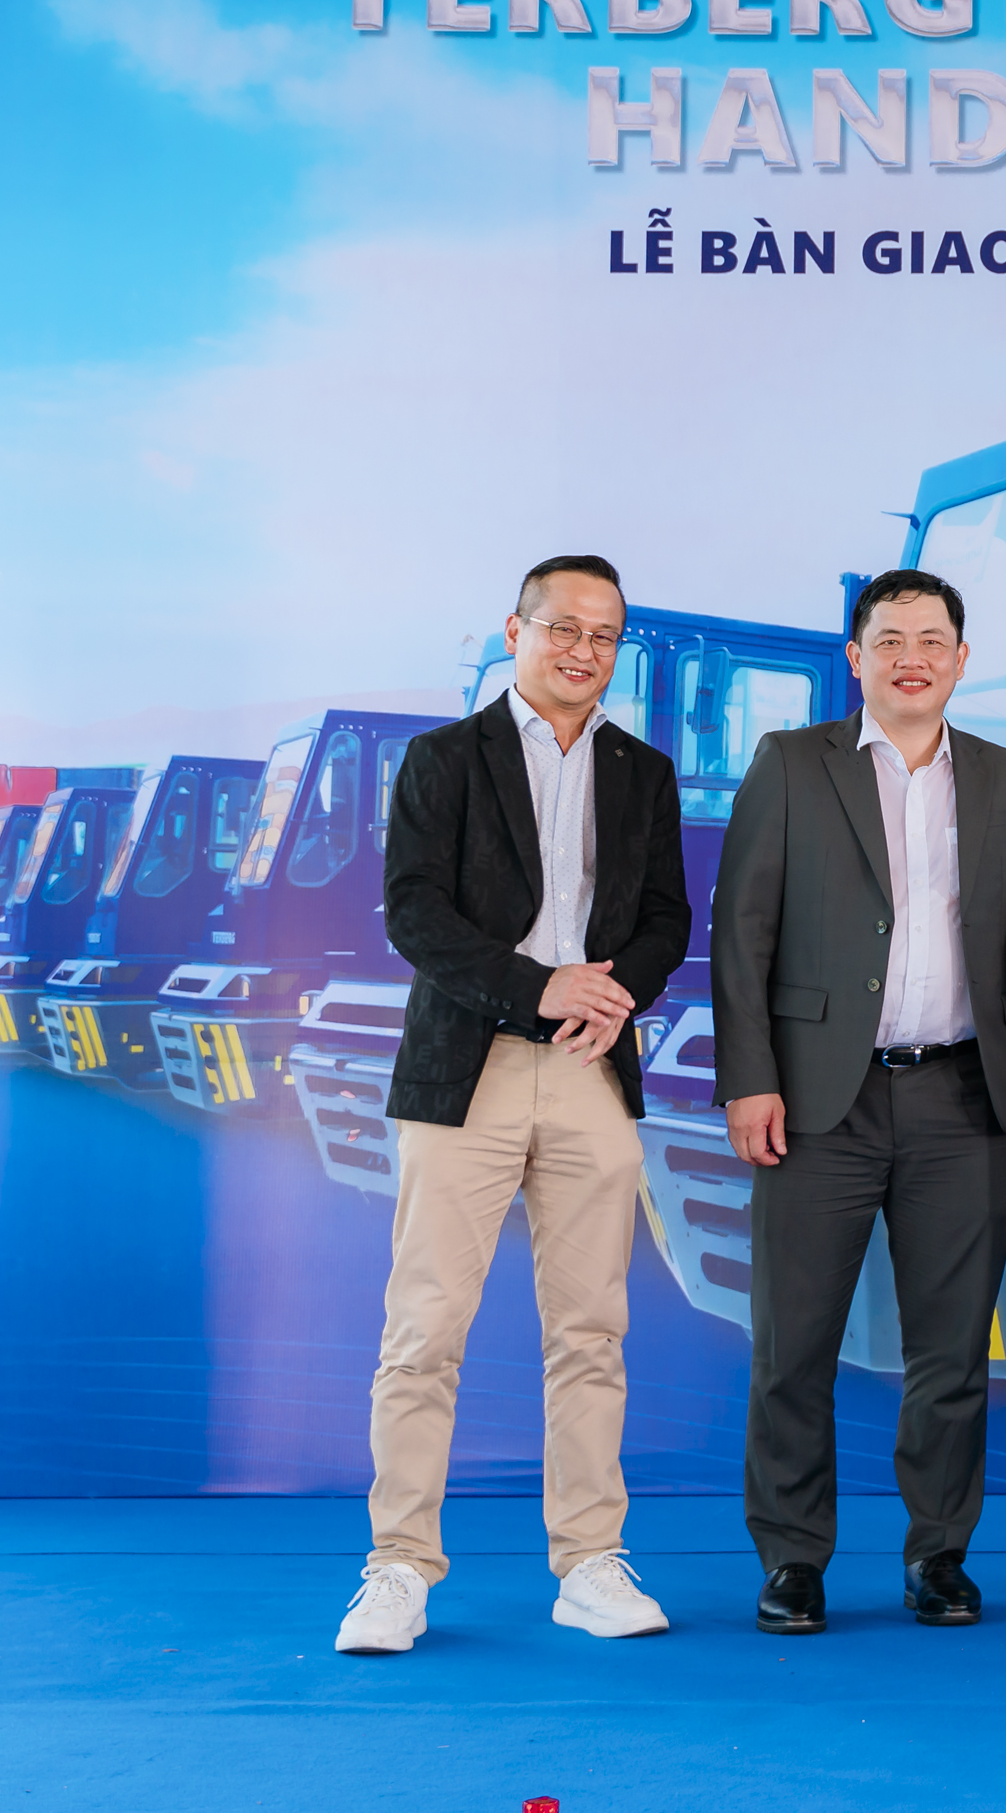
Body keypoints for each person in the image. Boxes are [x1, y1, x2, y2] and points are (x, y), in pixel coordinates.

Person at [338, 554, 692, 1655]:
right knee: (424, 1328)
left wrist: (613, 994)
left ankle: (589, 1560)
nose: (583, 648)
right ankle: (398, 1566)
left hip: (591, 1068)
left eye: (604, 633)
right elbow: (414, 913)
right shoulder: (444, 758)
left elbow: (668, 917)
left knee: (591, 1331)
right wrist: (540, 986)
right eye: (563, 626)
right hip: (467, 1067)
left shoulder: (643, 770)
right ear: (516, 629)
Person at [707, 567, 1006, 1634]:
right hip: (820, 1099)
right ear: (855, 657)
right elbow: (741, 932)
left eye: (933, 639)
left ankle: (939, 1553)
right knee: (794, 1345)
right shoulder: (791, 762)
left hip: (963, 1096)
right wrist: (749, 1077)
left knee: (951, 1350)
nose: (913, 656)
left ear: (961, 659)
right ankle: (792, 1557)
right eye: (891, 638)